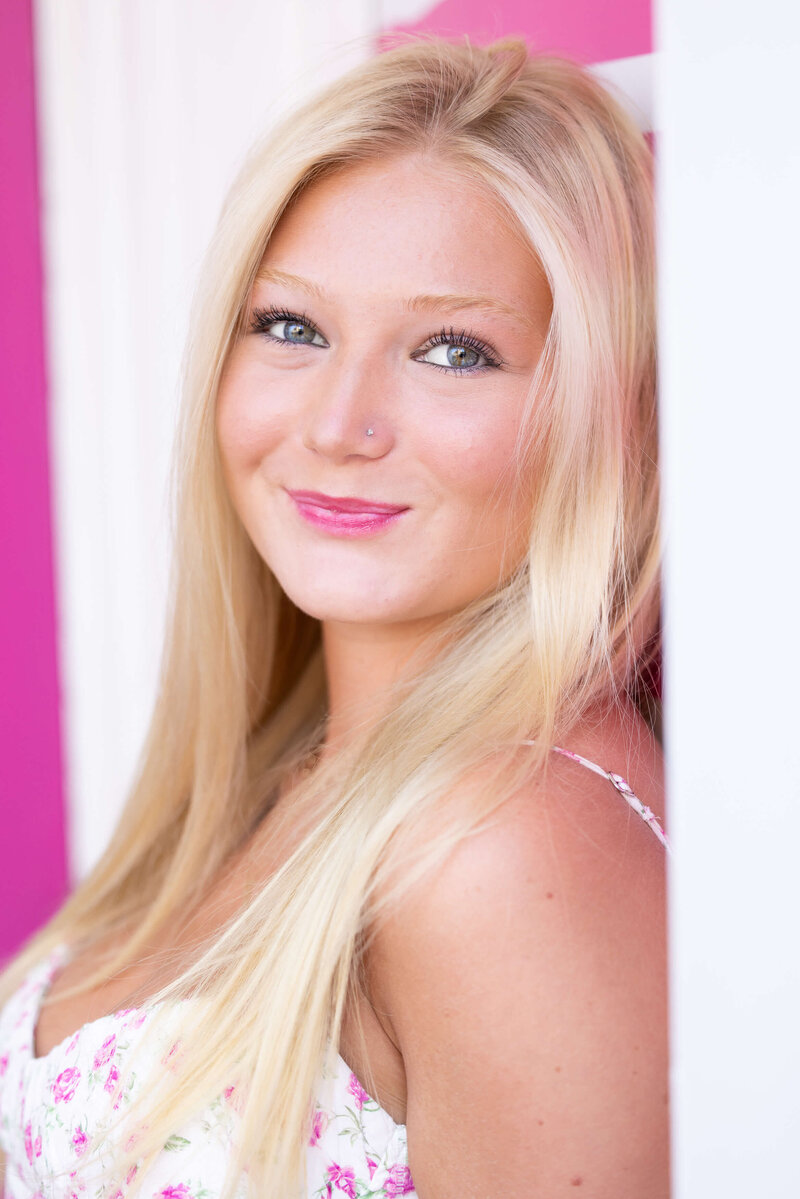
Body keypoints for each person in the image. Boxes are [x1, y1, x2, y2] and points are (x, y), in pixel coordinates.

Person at [0, 35, 669, 1199]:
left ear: (598, 409)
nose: (338, 422)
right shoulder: (282, 764)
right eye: (292, 328)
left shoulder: (502, 848)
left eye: (452, 349)